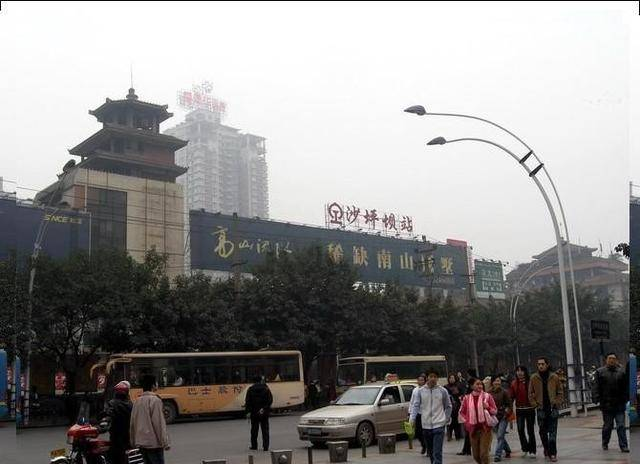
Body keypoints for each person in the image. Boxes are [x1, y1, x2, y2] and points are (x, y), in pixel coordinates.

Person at [409, 370, 452, 464]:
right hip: (426, 425)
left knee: (437, 452)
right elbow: (415, 405)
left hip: (439, 425)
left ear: (437, 378)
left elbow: (448, 406)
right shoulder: (420, 391)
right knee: (431, 452)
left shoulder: (442, 391)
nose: (433, 379)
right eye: (431, 376)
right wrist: (412, 419)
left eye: (435, 377)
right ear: (427, 378)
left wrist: (446, 419)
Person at [592, 352, 630, 453]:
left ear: (616, 360)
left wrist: (626, 398)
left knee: (621, 425)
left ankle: (623, 446)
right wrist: (596, 398)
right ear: (606, 360)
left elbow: (626, 387)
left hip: (619, 404)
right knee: (608, 426)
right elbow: (596, 387)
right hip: (606, 404)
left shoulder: (621, 372)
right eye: (610, 358)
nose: (612, 360)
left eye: (614, 358)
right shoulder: (600, 372)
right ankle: (605, 442)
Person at [529, 357, 563, 462]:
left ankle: (553, 453)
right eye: (539, 364)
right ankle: (547, 449)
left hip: (552, 408)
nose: (540, 366)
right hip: (541, 409)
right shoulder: (534, 378)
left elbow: (560, 392)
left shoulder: (554, 377)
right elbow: (530, 393)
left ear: (547, 365)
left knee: (553, 433)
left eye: (542, 364)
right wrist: (535, 405)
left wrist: (557, 403)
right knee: (542, 432)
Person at [130, 374, 170, 464]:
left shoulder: (137, 401)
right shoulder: (155, 400)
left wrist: (133, 441)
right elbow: (158, 424)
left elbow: (132, 423)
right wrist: (165, 442)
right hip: (153, 444)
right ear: (153, 385)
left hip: (141, 443)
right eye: (156, 383)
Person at [459, 377, 498, 464]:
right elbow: (461, 413)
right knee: (476, 456)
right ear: (471, 386)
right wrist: (467, 423)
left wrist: (487, 407)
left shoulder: (487, 396)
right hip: (473, 430)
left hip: (486, 429)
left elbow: (495, 410)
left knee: (484, 454)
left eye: (481, 384)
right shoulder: (466, 398)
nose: (480, 386)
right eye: (477, 384)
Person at [509, 365, 536, 458]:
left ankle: (532, 450)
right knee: (520, 430)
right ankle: (524, 448)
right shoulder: (514, 383)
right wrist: (509, 407)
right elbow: (511, 397)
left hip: (530, 409)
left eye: (521, 370)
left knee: (530, 430)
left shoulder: (531, 382)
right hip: (519, 410)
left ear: (525, 372)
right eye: (518, 371)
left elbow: (535, 393)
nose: (519, 372)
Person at [103, 381, 132, 464]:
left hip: (116, 438)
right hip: (128, 437)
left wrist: (102, 425)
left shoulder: (113, 403)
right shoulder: (130, 404)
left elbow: (108, 415)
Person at [244, 375, 273, 451]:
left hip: (254, 413)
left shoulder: (250, 389)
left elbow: (248, 402)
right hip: (263, 413)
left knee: (254, 430)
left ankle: (254, 446)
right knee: (265, 430)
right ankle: (265, 446)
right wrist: (264, 409)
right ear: (261, 380)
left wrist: (248, 412)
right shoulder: (266, 389)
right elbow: (270, 400)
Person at [489, 375, 512, 462]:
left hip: (503, 417)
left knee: (500, 435)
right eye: (495, 381)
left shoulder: (504, 392)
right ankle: (507, 450)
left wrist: (506, 413)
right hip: (493, 418)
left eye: (498, 381)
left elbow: (509, 405)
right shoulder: (488, 393)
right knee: (500, 436)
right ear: (492, 382)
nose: (497, 382)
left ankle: (497, 455)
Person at [408, 373, 427, 454]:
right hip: (418, 414)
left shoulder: (427, 390)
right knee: (418, 433)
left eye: (422, 380)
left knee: (426, 432)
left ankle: (428, 448)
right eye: (419, 380)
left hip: (426, 414)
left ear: (425, 381)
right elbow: (412, 402)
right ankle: (424, 445)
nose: (420, 381)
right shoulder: (415, 390)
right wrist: (410, 412)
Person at [445, 373, 464, 441]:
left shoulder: (458, 386)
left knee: (457, 421)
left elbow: (462, 394)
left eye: (453, 378)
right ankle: (449, 435)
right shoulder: (446, 387)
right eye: (450, 378)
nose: (451, 379)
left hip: (457, 405)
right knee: (450, 422)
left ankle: (458, 435)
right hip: (449, 406)